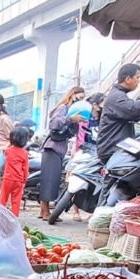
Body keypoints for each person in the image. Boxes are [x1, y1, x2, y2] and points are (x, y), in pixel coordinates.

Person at [41, 86, 88, 220]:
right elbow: (54, 123)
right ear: (72, 95)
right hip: (52, 147)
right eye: (79, 96)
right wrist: (71, 119)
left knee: (52, 180)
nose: (80, 99)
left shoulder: (72, 110)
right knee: (49, 181)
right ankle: (45, 212)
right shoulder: (63, 108)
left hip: (59, 148)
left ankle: (43, 211)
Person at [97, 64, 140, 165]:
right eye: (137, 77)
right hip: (113, 150)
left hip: (116, 147)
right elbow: (136, 111)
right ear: (128, 79)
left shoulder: (119, 94)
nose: (139, 81)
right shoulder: (116, 96)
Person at [0, 126, 31, 216]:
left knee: (3, 198)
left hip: (7, 179)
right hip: (18, 180)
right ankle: (14, 218)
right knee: (16, 201)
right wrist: (24, 180)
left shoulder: (8, 151)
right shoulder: (25, 153)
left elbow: (4, 151)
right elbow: (25, 169)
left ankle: (0, 216)